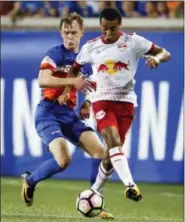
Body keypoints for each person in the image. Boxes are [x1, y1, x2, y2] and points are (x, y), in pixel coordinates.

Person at [61, 8, 171, 203]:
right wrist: (68, 91)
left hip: (127, 102)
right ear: (100, 26)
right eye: (104, 29)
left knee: (112, 155)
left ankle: (95, 190)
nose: (108, 34)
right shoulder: (91, 46)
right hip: (102, 100)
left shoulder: (133, 41)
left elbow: (164, 53)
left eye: (112, 29)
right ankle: (130, 185)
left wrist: (155, 58)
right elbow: (74, 71)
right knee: (112, 141)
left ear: (120, 25)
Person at [20, 12, 114, 219]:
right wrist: (71, 82)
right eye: (66, 33)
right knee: (63, 160)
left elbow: (92, 88)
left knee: (102, 154)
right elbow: (43, 80)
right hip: (47, 113)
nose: (69, 37)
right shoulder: (55, 54)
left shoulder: (87, 61)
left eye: (73, 32)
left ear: (82, 32)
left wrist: (87, 104)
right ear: (61, 34)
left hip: (69, 114)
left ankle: (96, 198)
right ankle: (30, 180)